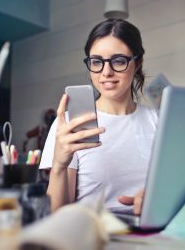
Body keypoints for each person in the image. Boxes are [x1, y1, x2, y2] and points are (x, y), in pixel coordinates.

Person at [40, 19, 158, 214]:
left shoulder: (158, 121)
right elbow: (57, 215)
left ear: (137, 63)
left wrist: (156, 199)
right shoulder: (70, 125)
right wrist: (59, 165)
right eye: (97, 62)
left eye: (119, 61)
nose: (106, 72)